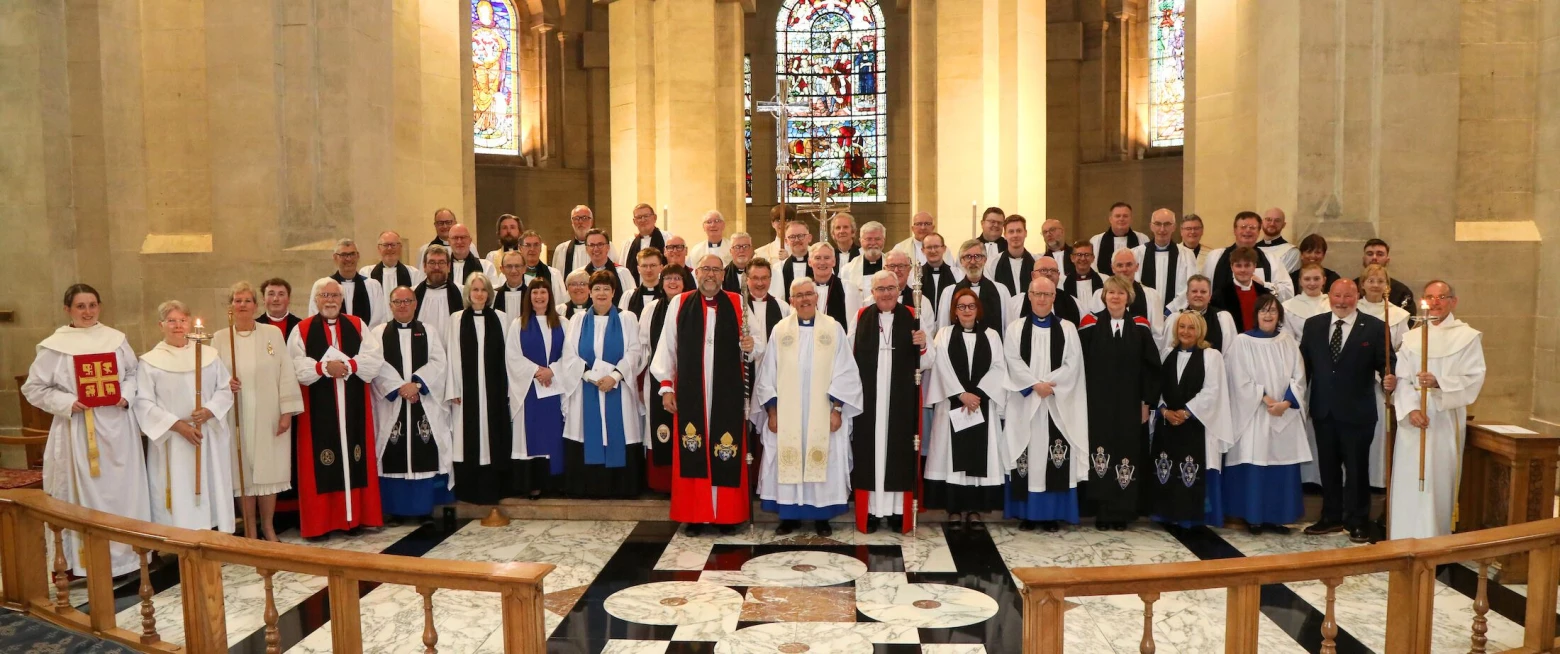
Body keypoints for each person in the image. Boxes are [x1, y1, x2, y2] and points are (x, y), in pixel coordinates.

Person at [22, 284, 152, 575]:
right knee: (84, 495)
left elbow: (132, 373)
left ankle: (128, 556)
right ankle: (81, 562)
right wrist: (68, 401)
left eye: (92, 305)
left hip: (118, 429)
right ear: (67, 309)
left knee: (122, 491)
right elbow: (33, 388)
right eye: (80, 306)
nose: (88, 312)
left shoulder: (116, 340)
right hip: (79, 430)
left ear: (100, 306)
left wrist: (126, 395)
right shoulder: (56, 346)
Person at [651, 255, 756, 534]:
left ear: (724, 274)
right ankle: (694, 515)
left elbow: (759, 345)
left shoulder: (738, 302)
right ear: (695, 272)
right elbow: (667, 347)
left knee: (726, 449)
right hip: (690, 391)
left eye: (716, 269)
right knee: (692, 447)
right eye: (705, 269)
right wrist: (666, 388)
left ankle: (728, 515)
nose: (710, 275)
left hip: (727, 392)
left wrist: (751, 344)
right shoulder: (681, 303)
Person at [751, 278, 864, 537]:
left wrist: (837, 409)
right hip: (787, 414)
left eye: (808, 294)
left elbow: (846, 371)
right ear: (791, 300)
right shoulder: (781, 330)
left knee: (822, 459)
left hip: (824, 412)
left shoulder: (833, 329)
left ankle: (821, 516)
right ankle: (789, 516)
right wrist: (772, 411)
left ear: (817, 297)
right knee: (787, 459)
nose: (804, 299)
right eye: (798, 295)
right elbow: (768, 373)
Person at [1299, 280, 1395, 543]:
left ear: (1358, 296)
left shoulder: (1375, 327)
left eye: (1348, 296)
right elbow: (1302, 366)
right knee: (1327, 468)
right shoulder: (1314, 325)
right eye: (1337, 296)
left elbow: (1387, 363)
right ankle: (1330, 517)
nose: (1342, 301)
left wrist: (1390, 377)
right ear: (1329, 296)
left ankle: (1358, 521)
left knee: (1356, 469)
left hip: (1357, 413)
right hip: (1324, 410)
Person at [289, 278, 386, 538]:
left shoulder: (356, 325)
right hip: (317, 411)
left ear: (342, 300)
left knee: (355, 456)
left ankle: (355, 519)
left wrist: (351, 366)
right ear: (316, 299)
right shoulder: (302, 329)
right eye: (324, 295)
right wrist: (322, 368)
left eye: (335, 295)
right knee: (320, 462)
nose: (330, 300)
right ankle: (321, 523)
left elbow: (375, 358)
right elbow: (294, 366)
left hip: (354, 407)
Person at [1389, 281, 1485, 539]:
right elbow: (1402, 379)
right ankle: (1402, 537)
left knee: (1437, 480)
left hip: (1443, 416)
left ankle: (1434, 539)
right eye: (1430, 297)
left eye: (1442, 297)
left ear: (1453, 301)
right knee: (1410, 479)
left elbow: (1474, 377)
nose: (1435, 302)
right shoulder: (1412, 338)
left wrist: (1440, 382)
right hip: (1413, 419)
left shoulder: (1467, 337)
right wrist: (1411, 410)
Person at [136, 300, 236, 533]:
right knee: (179, 492)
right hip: (173, 439)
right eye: (171, 321)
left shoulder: (208, 355)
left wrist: (210, 410)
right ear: (161, 325)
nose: (178, 325)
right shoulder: (151, 362)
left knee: (208, 488)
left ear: (190, 323)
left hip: (205, 433)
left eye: (182, 320)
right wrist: (177, 425)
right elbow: (144, 403)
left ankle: (212, 536)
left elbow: (224, 389)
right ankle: (179, 538)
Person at [217, 282, 305, 540]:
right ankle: (251, 529)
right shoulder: (221, 338)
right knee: (242, 473)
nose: (242, 305)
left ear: (256, 305)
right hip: (237, 414)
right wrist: (225, 384)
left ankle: (268, 525)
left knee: (270, 472)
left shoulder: (272, 335)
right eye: (237, 300)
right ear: (230, 306)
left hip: (269, 413)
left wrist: (287, 412)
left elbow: (286, 373)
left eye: (247, 300)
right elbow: (211, 377)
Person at [1001, 276, 1088, 532]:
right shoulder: (1015, 328)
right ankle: (1027, 513)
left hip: (1056, 404)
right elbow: (1012, 361)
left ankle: (1052, 515)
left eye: (1047, 295)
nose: (1041, 299)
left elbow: (1073, 365)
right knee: (1028, 458)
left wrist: (1048, 385)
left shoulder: (1068, 329)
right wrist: (1034, 385)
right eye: (1037, 294)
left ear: (1054, 298)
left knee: (1054, 459)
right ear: (1029, 296)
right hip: (1026, 402)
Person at [849, 270, 932, 533]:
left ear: (899, 290)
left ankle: (898, 512)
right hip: (869, 397)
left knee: (899, 450)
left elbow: (928, 362)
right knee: (869, 453)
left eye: (891, 288)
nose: (886, 293)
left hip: (902, 396)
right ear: (871, 293)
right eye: (880, 289)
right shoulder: (862, 316)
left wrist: (923, 344)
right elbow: (848, 356)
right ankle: (872, 512)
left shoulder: (913, 315)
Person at [1077, 276, 1161, 530]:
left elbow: (1150, 368)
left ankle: (1123, 511)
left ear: (1128, 297)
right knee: (1100, 452)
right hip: (1097, 404)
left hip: (1130, 404)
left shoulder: (1140, 326)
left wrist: (1147, 402)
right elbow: (1080, 366)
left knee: (1127, 453)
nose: (1115, 297)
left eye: (1120, 293)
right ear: (1104, 296)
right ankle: (1103, 510)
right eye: (1111, 292)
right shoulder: (1090, 325)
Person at [1223, 295, 1310, 533]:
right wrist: (1265, 398)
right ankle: (1254, 517)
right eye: (1263, 311)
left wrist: (1287, 402)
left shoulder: (1288, 342)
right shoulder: (1242, 342)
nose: (1268, 315)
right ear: (1256, 315)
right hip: (1255, 414)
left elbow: (1299, 376)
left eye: (1273, 311)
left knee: (1280, 465)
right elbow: (1237, 377)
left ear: (1280, 315)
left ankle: (1277, 517)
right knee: (1256, 461)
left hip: (1284, 413)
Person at [925, 286, 1007, 529]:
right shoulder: (944, 334)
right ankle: (953, 509)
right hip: (953, 405)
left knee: (978, 457)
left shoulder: (992, 335)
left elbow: (998, 367)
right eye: (962, 306)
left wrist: (977, 395)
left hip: (981, 404)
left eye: (971, 306)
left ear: (978, 309)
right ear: (955, 311)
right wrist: (961, 394)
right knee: (950, 458)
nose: (967, 311)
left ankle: (974, 510)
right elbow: (941, 366)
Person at [559, 271, 646, 497]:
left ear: (613, 292)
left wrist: (615, 377)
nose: (601, 293)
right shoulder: (578, 320)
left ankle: (621, 488)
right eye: (597, 288)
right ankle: (588, 488)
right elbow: (569, 354)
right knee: (587, 433)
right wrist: (590, 376)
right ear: (590, 291)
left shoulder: (627, 319)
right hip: (587, 387)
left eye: (606, 289)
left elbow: (634, 351)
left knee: (619, 430)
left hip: (618, 388)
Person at [371, 286, 453, 521]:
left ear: (416, 304)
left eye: (408, 301)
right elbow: (376, 364)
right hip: (392, 404)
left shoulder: (428, 331)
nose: (403, 305)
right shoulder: (378, 333)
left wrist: (416, 384)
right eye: (398, 302)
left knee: (425, 449)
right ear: (390, 305)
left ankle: (424, 508)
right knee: (392, 451)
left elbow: (439, 362)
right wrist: (399, 388)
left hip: (422, 400)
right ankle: (395, 509)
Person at [1148, 312, 1234, 528]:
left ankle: (1192, 516)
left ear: (1200, 331)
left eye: (1191, 328)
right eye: (1182, 327)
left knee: (1191, 470)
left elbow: (1213, 390)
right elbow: (1155, 386)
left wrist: (1186, 412)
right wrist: (1165, 411)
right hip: (1167, 424)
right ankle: (1166, 513)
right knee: (1165, 468)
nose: (1185, 332)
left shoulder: (1211, 356)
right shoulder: (1167, 353)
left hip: (1196, 424)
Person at [445, 273, 512, 504]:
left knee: (494, 434)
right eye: (475, 290)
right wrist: (452, 388)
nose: (479, 294)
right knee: (467, 438)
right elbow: (451, 354)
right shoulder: (456, 319)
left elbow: (509, 356)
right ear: (468, 293)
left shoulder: (501, 319)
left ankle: (495, 487)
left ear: (489, 294)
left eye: (483, 290)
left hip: (494, 390)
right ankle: (469, 489)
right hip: (466, 392)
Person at [506, 278, 574, 499]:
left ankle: (556, 482)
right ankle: (533, 482)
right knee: (531, 433)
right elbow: (513, 356)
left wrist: (552, 371)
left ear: (550, 296)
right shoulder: (519, 324)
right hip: (530, 388)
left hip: (555, 386)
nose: (539, 297)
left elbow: (570, 354)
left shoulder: (563, 323)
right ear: (529, 297)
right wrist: (537, 371)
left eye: (543, 292)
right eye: (535, 293)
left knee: (555, 432)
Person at [1358, 263, 1411, 490]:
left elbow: (1403, 348)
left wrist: (1389, 372)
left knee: (1379, 428)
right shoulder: (1353, 308)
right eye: (1371, 280)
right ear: (1362, 284)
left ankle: (1376, 479)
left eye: (1380, 281)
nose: (1376, 285)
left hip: (1381, 381)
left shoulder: (1397, 315)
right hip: (1355, 377)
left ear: (1387, 286)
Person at [637, 265, 688, 493]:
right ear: (661, 281)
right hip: (659, 378)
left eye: (678, 278)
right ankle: (663, 483)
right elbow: (642, 347)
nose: (673, 282)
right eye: (668, 278)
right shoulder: (651, 310)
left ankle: (687, 481)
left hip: (689, 378)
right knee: (660, 428)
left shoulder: (693, 306)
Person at [1283, 263, 1333, 487]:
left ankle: (1325, 477)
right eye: (1307, 279)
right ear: (1300, 281)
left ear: (1324, 280)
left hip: (1330, 368)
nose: (1312, 283)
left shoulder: (1333, 303)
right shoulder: (1289, 306)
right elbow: (1287, 338)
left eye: (1316, 279)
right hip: (1302, 365)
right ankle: (1306, 478)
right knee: (1304, 418)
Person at [1202, 212, 1295, 301]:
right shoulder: (1215, 257)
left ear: (1259, 232)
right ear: (1235, 230)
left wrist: (1264, 284)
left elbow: (1288, 292)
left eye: (1252, 227)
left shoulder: (1271, 259)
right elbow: (1203, 287)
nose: (1247, 230)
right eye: (1243, 227)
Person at [1087, 250, 1166, 348]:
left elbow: (1157, 334)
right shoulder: (1100, 294)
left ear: (1137, 267)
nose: (1124, 269)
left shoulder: (1151, 295)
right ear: (1112, 268)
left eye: (1129, 265)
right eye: (1119, 265)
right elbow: (1095, 329)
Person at [937, 239, 1011, 334]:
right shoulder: (949, 292)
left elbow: (1009, 330)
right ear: (961, 262)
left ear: (985, 260)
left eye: (977, 256)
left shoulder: (1001, 291)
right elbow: (943, 330)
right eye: (968, 257)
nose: (972, 261)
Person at [311, 239, 387, 329]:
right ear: (335, 257)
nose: (348, 259)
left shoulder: (373, 286)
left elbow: (378, 321)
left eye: (352, 254)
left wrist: (364, 339)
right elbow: (315, 317)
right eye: (343, 255)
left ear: (358, 256)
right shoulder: (322, 286)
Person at [1130, 209, 1194, 306]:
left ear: (1174, 227)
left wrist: (1171, 310)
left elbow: (1191, 286)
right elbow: (1133, 283)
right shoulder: (1136, 253)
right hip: (1143, 310)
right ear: (1151, 226)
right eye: (1158, 224)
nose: (1162, 229)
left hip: (1175, 314)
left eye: (1167, 224)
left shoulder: (1186, 255)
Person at [1209, 247, 1275, 333]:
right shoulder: (1220, 295)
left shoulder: (1264, 294)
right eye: (1238, 266)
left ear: (1254, 266)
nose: (1243, 270)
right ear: (1232, 267)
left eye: (1247, 265)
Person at [1165, 275, 1237, 353]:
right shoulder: (1175, 318)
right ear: (1187, 295)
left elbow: (1230, 353)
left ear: (1210, 296)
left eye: (1203, 292)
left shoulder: (1223, 318)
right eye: (1194, 291)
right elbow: (1167, 350)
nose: (1198, 295)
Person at [1008, 257, 1081, 326]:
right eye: (1043, 270)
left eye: (1053, 270)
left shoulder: (1073, 302)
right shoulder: (1016, 304)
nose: (1049, 274)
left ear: (1058, 275)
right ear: (1033, 275)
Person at [414, 245, 465, 343]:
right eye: (432, 263)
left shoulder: (462, 293)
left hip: (451, 352)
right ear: (424, 266)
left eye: (441, 262)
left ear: (449, 266)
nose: (436, 267)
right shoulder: (412, 294)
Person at [363, 231, 425, 307]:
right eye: (385, 245)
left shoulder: (414, 274)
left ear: (400, 247)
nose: (389, 248)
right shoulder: (366, 273)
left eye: (393, 245)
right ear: (379, 248)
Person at [807, 241, 860, 329]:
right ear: (810, 262)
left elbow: (854, 325)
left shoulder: (848, 288)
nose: (822, 262)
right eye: (817, 258)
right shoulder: (804, 289)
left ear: (834, 261)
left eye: (827, 258)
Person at [576, 228, 635, 305]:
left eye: (600, 244)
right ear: (586, 249)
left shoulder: (622, 273)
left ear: (608, 247)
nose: (596, 249)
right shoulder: (580, 274)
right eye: (592, 245)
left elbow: (631, 300)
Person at [1088, 202, 1149, 274]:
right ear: (1110, 219)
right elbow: (1093, 268)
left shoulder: (1142, 239)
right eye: (1117, 216)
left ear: (1131, 219)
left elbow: (1145, 266)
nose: (1121, 219)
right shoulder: (1096, 240)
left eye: (1125, 216)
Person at [553, 205, 618, 272]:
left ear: (592, 222)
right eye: (576, 218)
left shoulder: (605, 246)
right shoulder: (561, 250)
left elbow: (614, 271)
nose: (580, 222)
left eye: (585, 218)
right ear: (572, 222)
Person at [620, 203, 674, 283]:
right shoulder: (628, 243)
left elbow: (675, 265)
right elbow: (623, 271)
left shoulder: (668, 238)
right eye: (639, 217)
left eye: (646, 216)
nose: (643, 220)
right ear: (634, 221)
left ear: (655, 218)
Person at [917, 233, 964, 324]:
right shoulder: (915, 274)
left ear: (944, 249)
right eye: (929, 247)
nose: (933, 250)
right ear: (923, 250)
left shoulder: (957, 274)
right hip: (923, 325)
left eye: (936, 246)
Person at [986, 215, 1036, 297]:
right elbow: (990, 292)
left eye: (1019, 231)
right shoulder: (993, 263)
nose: (1015, 235)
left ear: (1025, 233)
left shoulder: (1036, 261)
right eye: (1011, 231)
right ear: (1005, 235)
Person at [1359, 239, 1415, 311]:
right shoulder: (1352, 287)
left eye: (1380, 254)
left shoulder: (1402, 291)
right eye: (1370, 254)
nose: (1374, 258)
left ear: (1387, 260)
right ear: (1363, 259)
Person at [517, 230, 567, 302]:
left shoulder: (554, 274)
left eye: (536, 245)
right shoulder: (513, 274)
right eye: (528, 245)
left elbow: (560, 304)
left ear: (540, 248)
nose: (532, 249)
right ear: (520, 248)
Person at [841, 221, 887, 300]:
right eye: (868, 239)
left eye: (877, 239)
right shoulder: (847, 269)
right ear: (861, 241)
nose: (873, 243)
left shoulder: (892, 266)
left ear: (884, 240)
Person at [621, 247, 666, 315]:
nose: (648, 270)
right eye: (644, 266)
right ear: (638, 269)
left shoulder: (667, 295)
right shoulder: (629, 296)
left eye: (653, 265)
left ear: (661, 268)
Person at [778, 220, 815, 301]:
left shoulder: (819, 265)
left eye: (801, 236)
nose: (797, 240)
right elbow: (778, 298)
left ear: (809, 238)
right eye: (792, 237)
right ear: (786, 241)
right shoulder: (779, 268)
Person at [1258, 208, 1301, 274]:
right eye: (1268, 219)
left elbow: (1283, 279)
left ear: (1283, 225)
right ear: (1262, 222)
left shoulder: (1291, 252)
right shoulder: (1253, 249)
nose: (1272, 224)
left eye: (1277, 221)